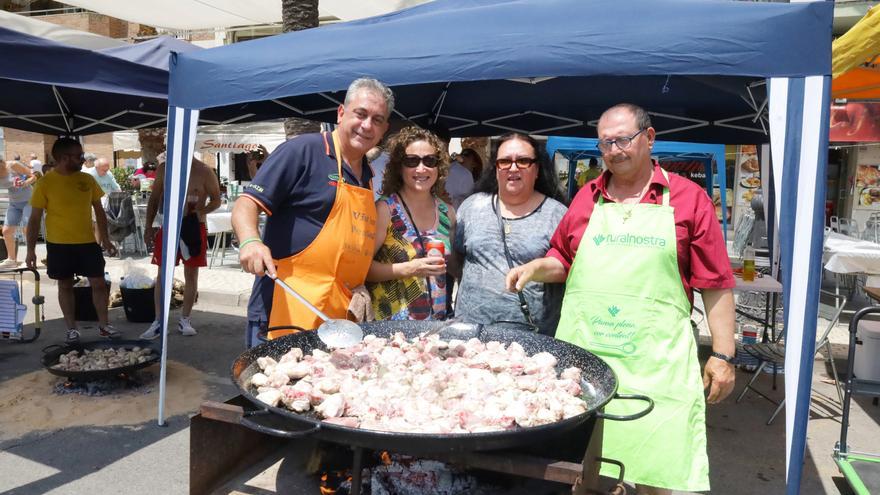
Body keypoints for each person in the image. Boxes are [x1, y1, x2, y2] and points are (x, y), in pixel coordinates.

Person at [506, 104, 735, 494]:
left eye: (623, 139)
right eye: (606, 143)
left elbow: (715, 282)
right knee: (585, 473)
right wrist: (535, 268)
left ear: (649, 138)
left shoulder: (689, 199)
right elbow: (563, 259)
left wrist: (724, 355)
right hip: (587, 363)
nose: (614, 150)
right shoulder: (586, 198)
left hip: (656, 366)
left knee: (658, 475)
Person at [233, 77, 393, 347]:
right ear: (341, 113)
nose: (367, 125)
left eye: (377, 120)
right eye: (361, 114)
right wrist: (250, 241)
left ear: (384, 129)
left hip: (338, 318)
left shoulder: (367, 175)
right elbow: (246, 203)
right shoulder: (302, 152)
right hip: (285, 310)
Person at [450, 133, 567, 334]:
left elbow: (568, 269)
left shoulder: (557, 214)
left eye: (523, 161)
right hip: (470, 335)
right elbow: (456, 259)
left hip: (533, 338)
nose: (513, 168)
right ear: (496, 169)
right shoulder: (472, 206)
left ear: (537, 169)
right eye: (504, 161)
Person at [25, 137, 120, 344]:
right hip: (59, 245)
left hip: (87, 243)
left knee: (99, 283)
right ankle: (72, 329)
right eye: (79, 156)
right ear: (64, 158)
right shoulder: (45, 183)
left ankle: (104, 325)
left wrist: (106, 239)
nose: (82, 160)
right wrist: (30, 250)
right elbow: (34, 220)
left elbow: (100, 212)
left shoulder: (86, 180)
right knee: (65, 285)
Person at [366, 126, 454, 320]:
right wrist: (411, 268)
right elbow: (363, 269)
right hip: (391, 329)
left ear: (439, 167)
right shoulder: (385, 210)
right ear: (399, 166)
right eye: (412, 161)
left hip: (435, 328)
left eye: (430, 161)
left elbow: (455, 266)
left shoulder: (447, 212)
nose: (421, 169)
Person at [139, 157, 222, 339]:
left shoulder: (204, 170)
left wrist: (201, 211)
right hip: (169, 225)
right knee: (163, 273)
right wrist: (148, 226)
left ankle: (185, 318)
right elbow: (154, 198)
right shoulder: (165, 168)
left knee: (191, 273)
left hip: (194, 226)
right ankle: (159, 321)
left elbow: (216, 200)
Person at [0, 158, 37, 268]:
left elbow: (33, 176)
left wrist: (25, 183)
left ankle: (31, 257)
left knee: (27, 230)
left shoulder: (13, 165)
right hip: (14, 204)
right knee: (6, 231)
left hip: (29, 201)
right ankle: (11, 260)